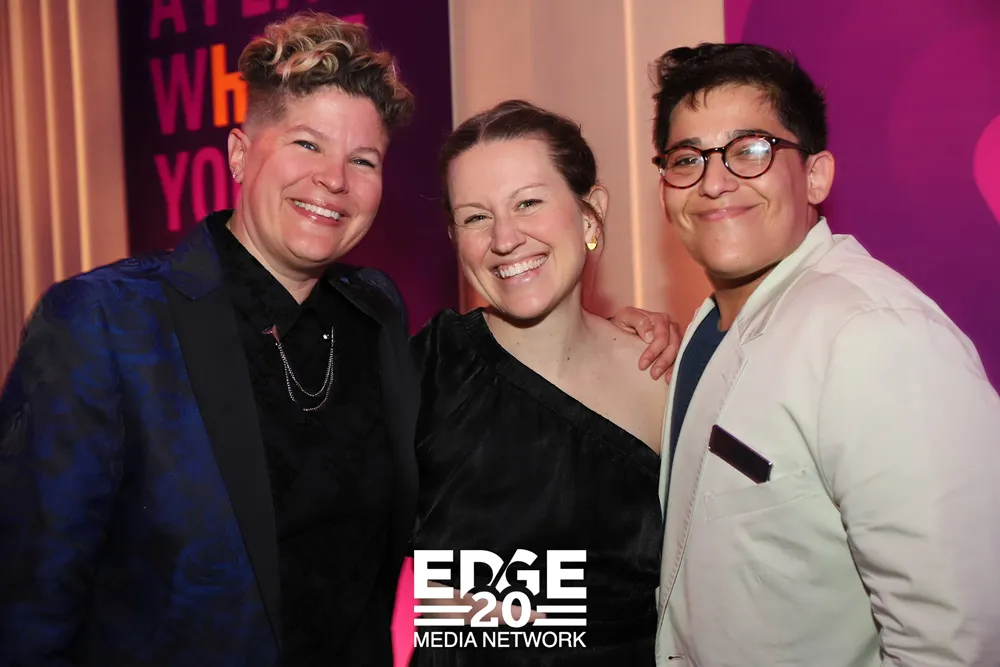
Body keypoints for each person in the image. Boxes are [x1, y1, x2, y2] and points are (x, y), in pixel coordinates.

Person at [0, 13, 676, 667]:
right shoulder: (103, 322)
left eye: (363, 158)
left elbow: (467, 585)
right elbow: (24, 613)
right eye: (306, 143)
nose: (334, 179)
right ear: (239, 153)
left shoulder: (375, 318)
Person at [650, 43, 1000, 666]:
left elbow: (955, 639)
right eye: (687, 159)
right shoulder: (708, 329)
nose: (713, 181)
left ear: (815, 175)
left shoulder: (876, 335)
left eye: (750, 150)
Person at [409, 100, 669, 666]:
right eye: (475, 217)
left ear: (590, 213)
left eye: (528, 202)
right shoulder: (426, 370)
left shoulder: (663, 376)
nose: (505, 238)